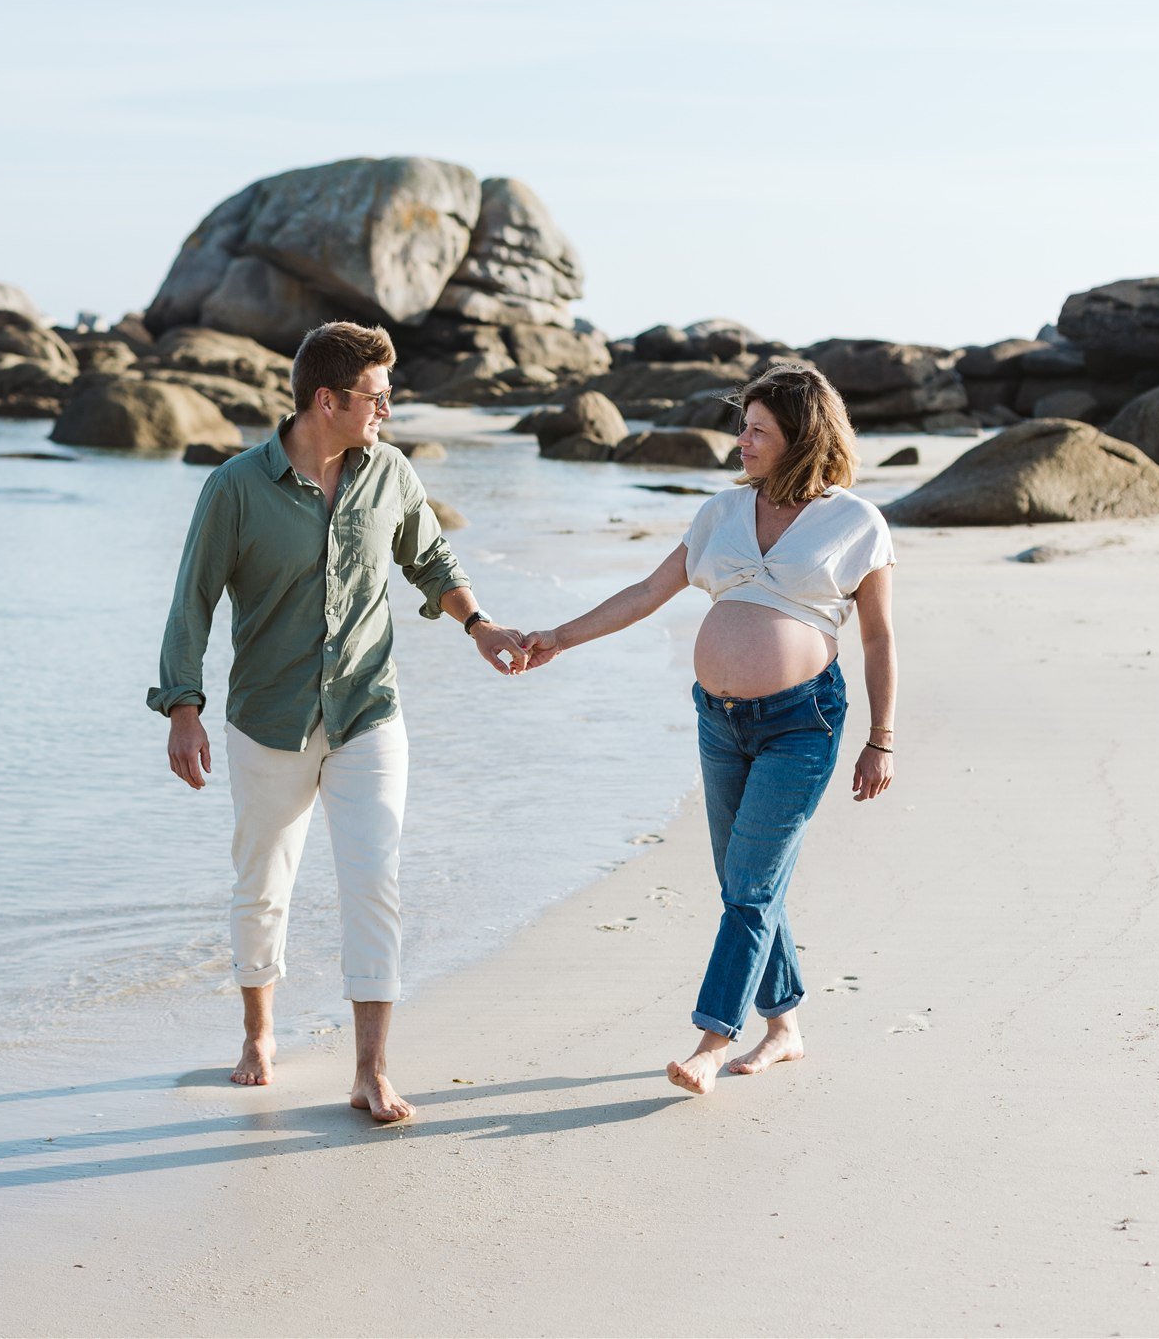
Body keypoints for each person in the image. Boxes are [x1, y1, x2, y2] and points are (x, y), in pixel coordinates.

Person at [149, 321, 528, 1123]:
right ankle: (259, 1036)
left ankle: (369, 1070)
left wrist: (480, 625)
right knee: (263, 885)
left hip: (366, 709)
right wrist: (183, 706)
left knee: (374, 883)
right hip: (268, 718)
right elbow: (194, 598)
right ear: (328, 400)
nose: (389, 411)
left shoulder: (388, 472)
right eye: (377, 397)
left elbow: (430, 559)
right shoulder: (235, 488)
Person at [522, 363, 897, 1096]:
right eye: (743, 426)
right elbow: (648, 591)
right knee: (745, 881)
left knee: (750, 886)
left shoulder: (855, 523)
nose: (740, 442)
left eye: (758, 430)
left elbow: (879, 638)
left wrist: (882, 737)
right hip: (719, 722)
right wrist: (558, 637)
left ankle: (711, 1041)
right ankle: (784, 1024)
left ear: (802, 438)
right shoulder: (722, 515)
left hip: (802, 723)